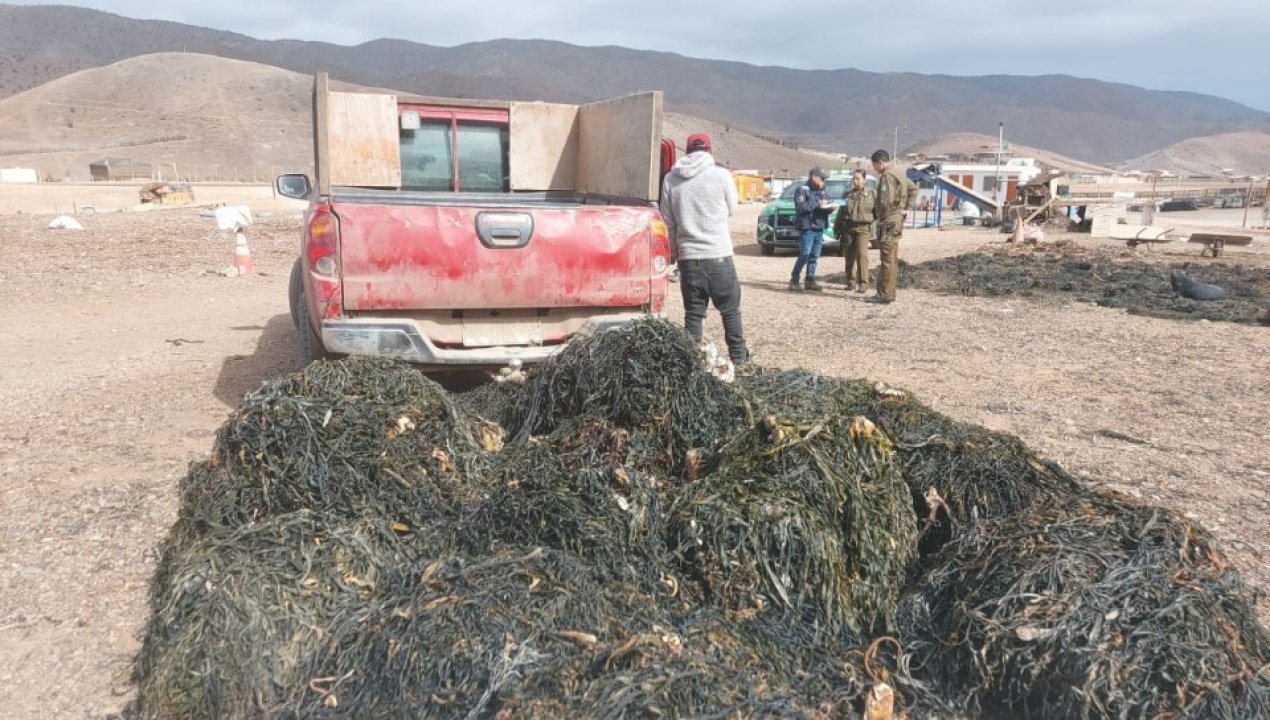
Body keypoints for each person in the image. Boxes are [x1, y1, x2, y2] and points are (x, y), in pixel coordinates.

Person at [659, 133, 750, 364]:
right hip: (718, 254)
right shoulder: (721, 175)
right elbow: (732, 209)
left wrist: (674, 253)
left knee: (694, 314)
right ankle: (739, 361)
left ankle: (691, 365)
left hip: (689, 258)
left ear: (688, 151)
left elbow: (667, 220)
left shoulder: (671, 179)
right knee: (730, 311)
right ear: (709, 150)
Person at [869, 149, 916, 303]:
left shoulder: (887, 176)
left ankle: (884, 295)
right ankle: (890, 293)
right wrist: (906, 208)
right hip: (896, 220)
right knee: (892, 259)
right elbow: (913, 189)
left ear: (880, 162)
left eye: (874, 165)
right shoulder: (899, 173)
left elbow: (885, 201)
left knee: (887, 259)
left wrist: (881, 217)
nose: (874, 169)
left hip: (888, 221)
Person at [789, 166, 835, 292]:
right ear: (814, 177)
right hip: (807, 227)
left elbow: (824, 206)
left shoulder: (822, 191)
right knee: (805, 253)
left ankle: (810, 280)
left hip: (818, 226)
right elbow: (801, 208)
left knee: (815, 255)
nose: (823, 181)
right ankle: (794, 280)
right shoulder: (802, 190)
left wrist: (830, 207)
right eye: (821, 178)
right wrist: (817, 203)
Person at [833, 170, 876, 293]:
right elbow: (840, 213)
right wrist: (836, 229)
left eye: (858, 178)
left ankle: (863, 283)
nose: (855, 181)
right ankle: (851, 282)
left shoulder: (872, 194)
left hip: (862, 229)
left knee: (862, 255)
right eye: (853, 179)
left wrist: (872, 227)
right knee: (849, 257)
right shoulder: (847, 195)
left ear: (864, 180)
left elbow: (877, 213)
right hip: (847, 228)